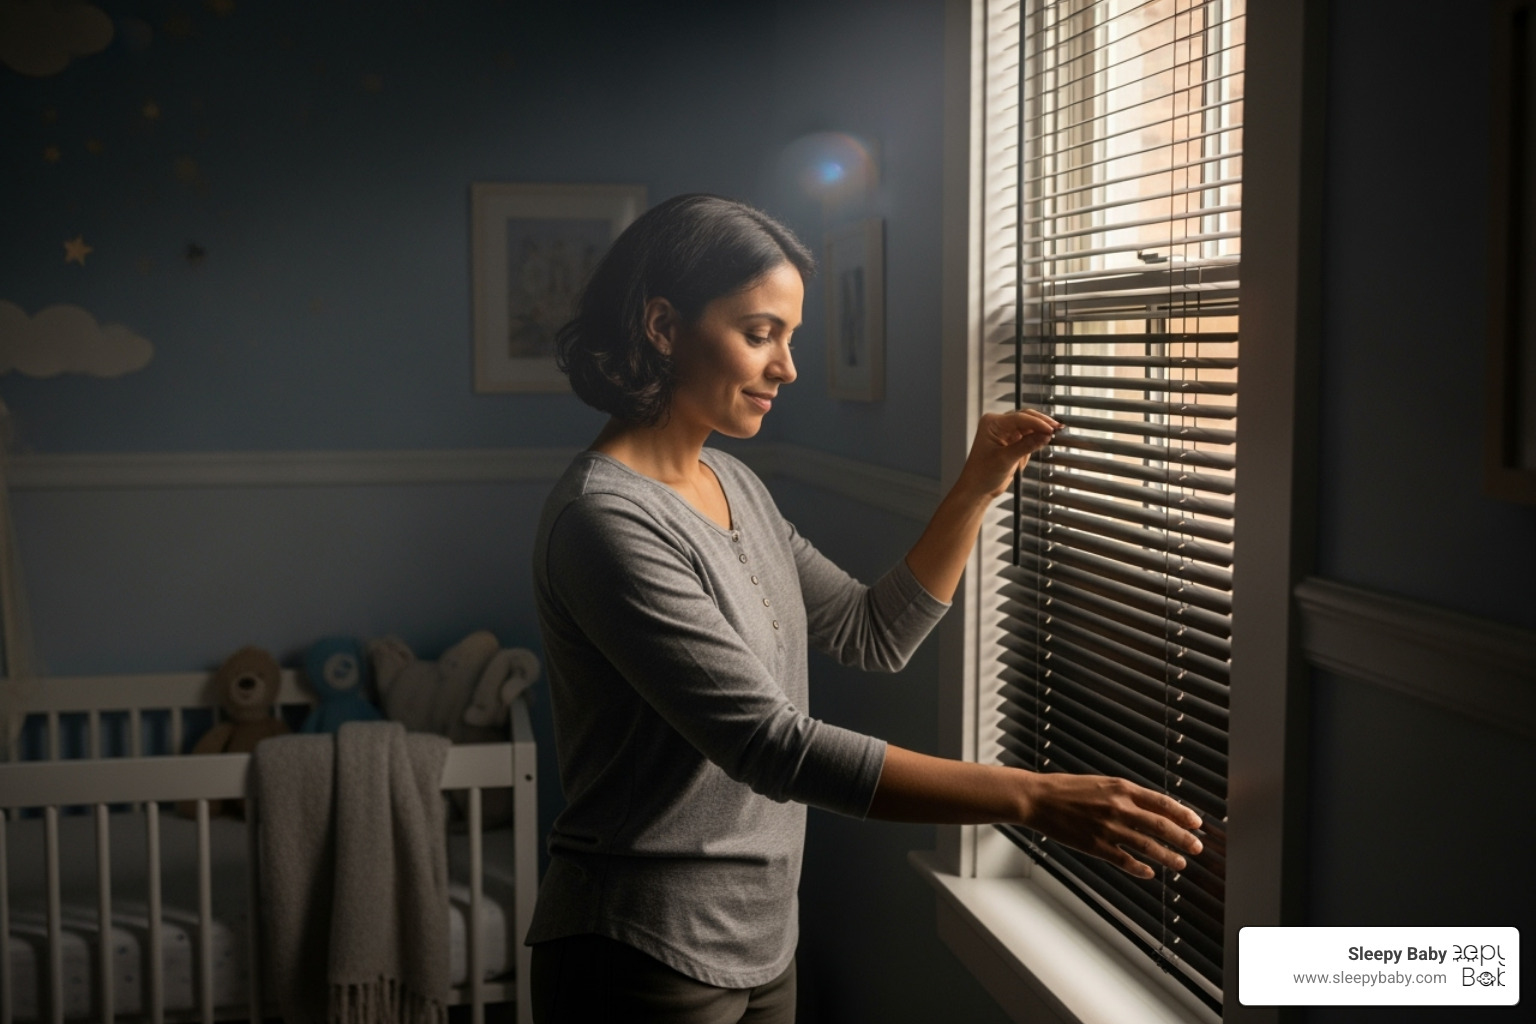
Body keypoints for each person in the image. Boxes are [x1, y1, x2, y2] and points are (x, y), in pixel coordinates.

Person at [527, 194, 1204, 1024]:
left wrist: (974, 490)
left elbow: (870, 632)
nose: (788, 369)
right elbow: (771, 748)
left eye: (791, 337)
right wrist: (1030, 798)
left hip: (765, 938)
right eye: (760, 333)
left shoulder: (734, 483)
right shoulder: (605, 521)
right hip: (640, 951)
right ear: (663, 326)